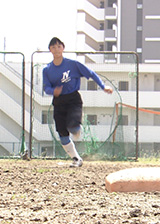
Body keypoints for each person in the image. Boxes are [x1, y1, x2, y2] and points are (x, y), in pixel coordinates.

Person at [43, 37, 113, 167]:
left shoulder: (72, 64)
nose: (56, 49)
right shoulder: (47, 70)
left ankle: (76, 127)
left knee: (73, 126)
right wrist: (53, 91)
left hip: (73, 99)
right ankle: (76, 158)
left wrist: (103, 87)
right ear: (50, 50)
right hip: (58, 101)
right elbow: (46, 87)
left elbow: (91, 73)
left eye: (59, 46)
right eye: (53, 47)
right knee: (62, 132)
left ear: (63, 48)